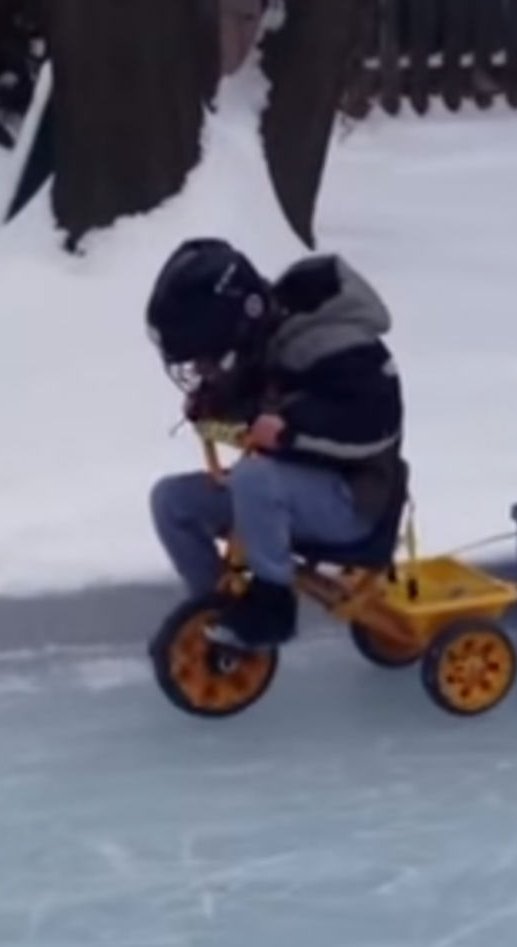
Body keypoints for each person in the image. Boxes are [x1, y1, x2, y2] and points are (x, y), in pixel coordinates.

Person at [146, 237, 406, 650]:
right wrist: (217, 402)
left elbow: (374, 421)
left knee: (255, 478)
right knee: (171, 501)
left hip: (353, 502)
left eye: (207, 358)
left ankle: (272, 609)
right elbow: (256, 403)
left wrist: (291, 427)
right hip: (285, 494)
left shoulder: (340, 346)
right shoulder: (264, 340)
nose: (200, 367)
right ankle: (216, 608)